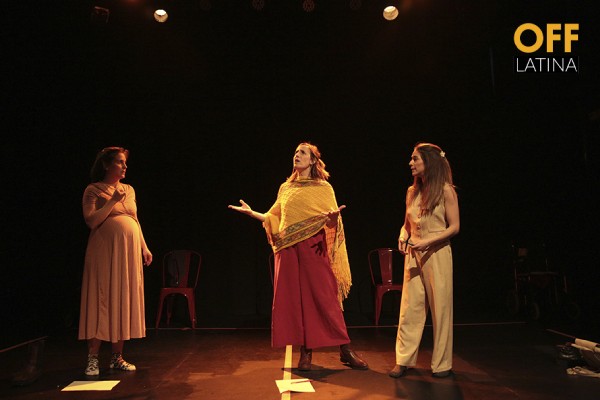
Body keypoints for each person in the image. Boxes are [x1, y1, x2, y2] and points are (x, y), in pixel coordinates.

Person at [228, 142, 368, 371]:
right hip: (288, 250)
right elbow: (274, 217)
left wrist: (333, 219)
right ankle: (306, 352)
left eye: (302, 152)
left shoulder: (324, 188)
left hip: (314, 247)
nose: (297, 155)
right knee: (295, 300)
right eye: (295, 152)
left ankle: (345, 348)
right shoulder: (286, 188)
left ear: (313, 160)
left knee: (326, 297)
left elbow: (332, 222)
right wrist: (252, 213)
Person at [78, 147, 153, 376]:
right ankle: (92, 358)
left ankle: (117, 357)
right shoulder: (93, 190)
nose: (124, 166)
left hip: (127, 253)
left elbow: (135, 219)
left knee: (122, 298)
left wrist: (144, 247)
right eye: (120, 162)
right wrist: (111, 201)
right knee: (101, 299)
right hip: (104, 252)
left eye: (125, 162)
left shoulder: (129, 190)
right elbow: (91, 221)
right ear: (106, 165)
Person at [389, 142, 460, 379]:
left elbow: (454, 227)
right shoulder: (412, 192)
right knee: (410, 308)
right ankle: (403, 360)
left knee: (441, 309)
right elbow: (407, 224)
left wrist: (429, 241)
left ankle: (441, 364)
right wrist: (403, 235)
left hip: (437, 253)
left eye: (415, 159)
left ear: (428, 162)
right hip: (414, 253)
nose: (410, 163)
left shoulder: (446, 191)